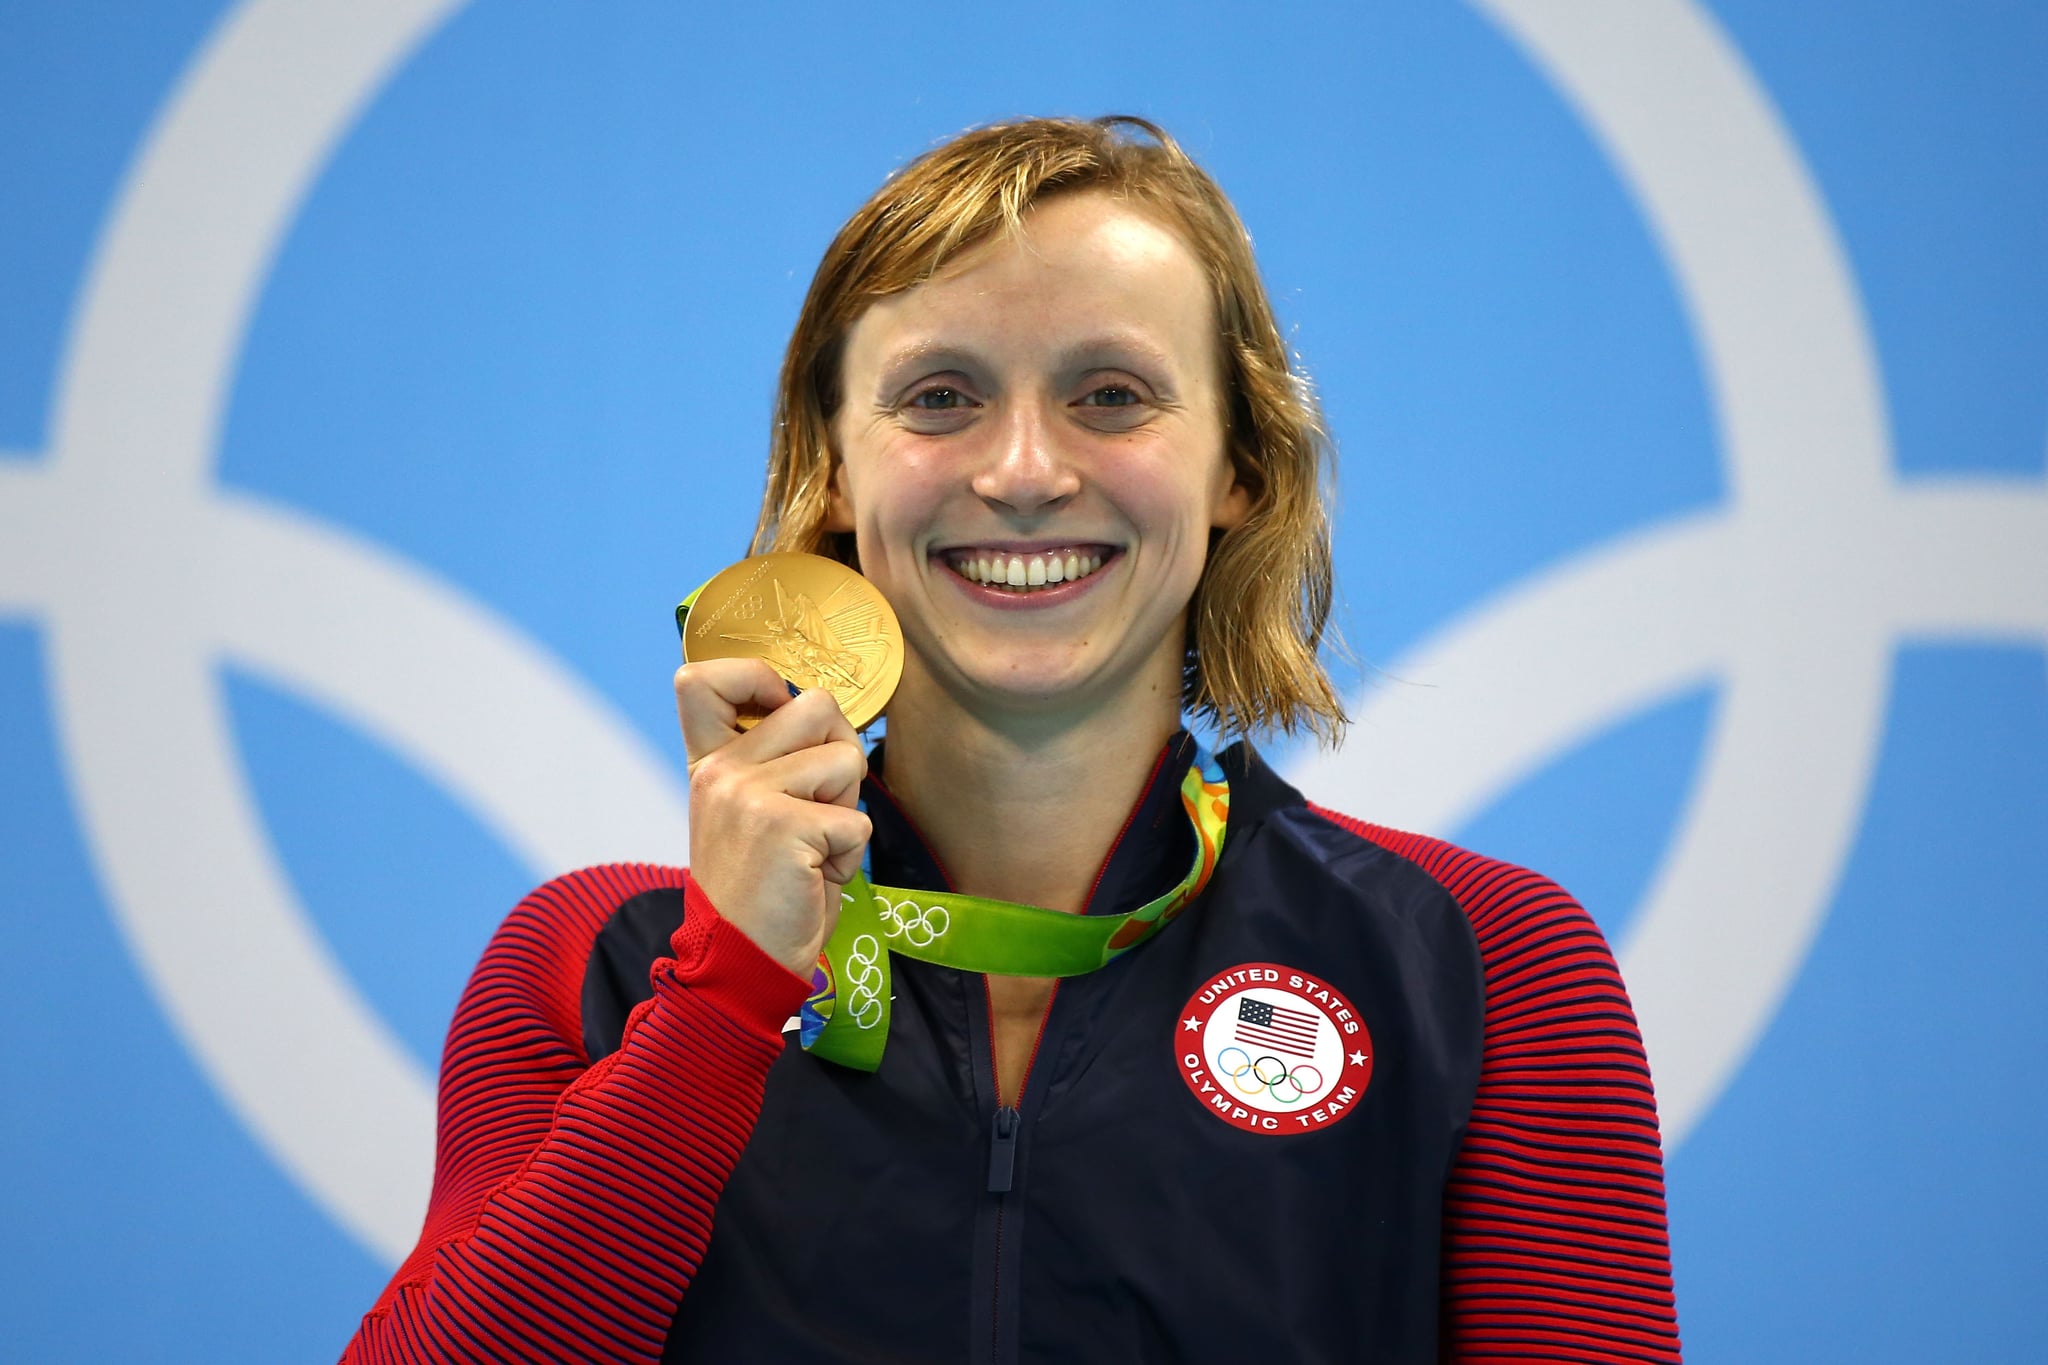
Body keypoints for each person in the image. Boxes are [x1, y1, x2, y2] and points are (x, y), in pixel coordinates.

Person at [343, 116, 1681, 1364]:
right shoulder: (600, 962)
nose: (1027, 468)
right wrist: (729, 990)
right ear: (831, 466)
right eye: (939, 397)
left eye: (1111, 393)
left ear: (1241, 466)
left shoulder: (1483, 963)